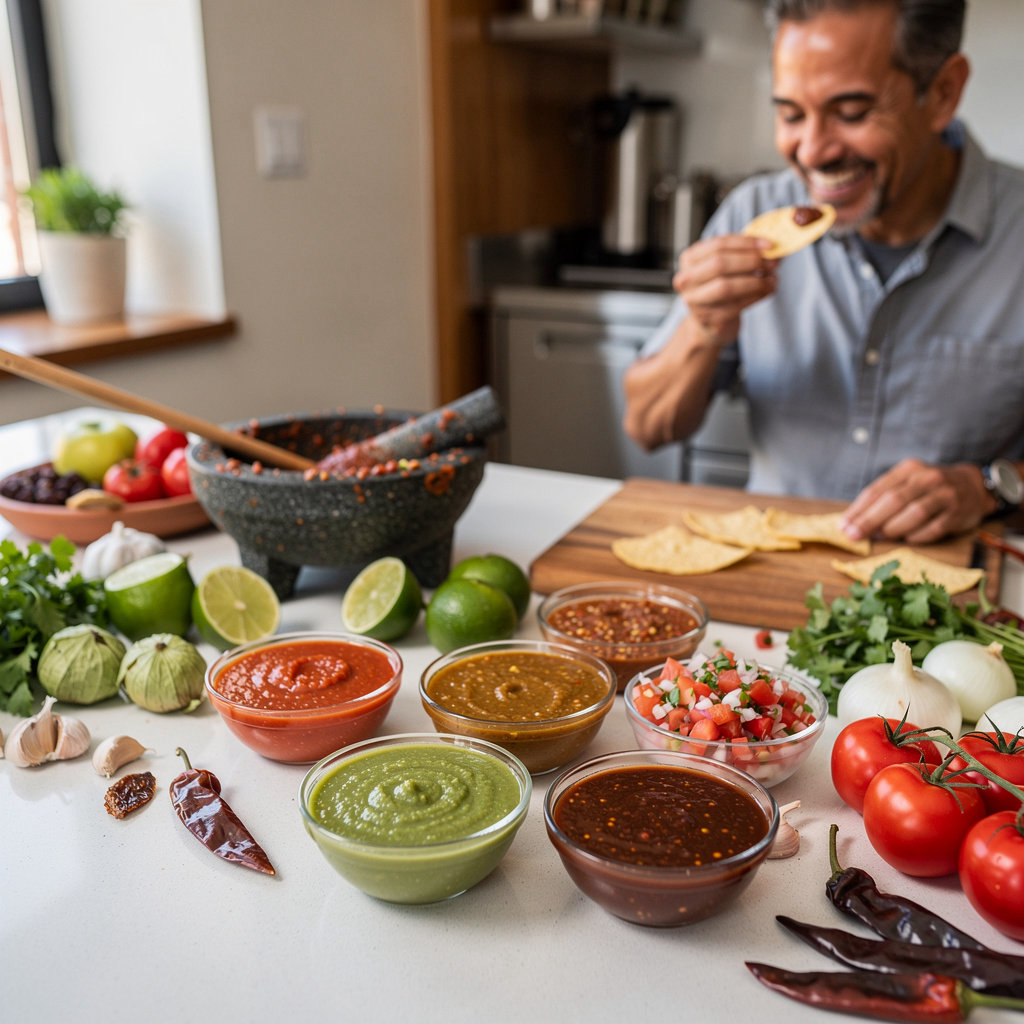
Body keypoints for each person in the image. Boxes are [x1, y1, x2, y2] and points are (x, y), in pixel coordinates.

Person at [622, 0, 1024, 543]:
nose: (811, 151)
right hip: (771, 586)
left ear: (944, 93)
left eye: (852, 112)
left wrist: (989, 487)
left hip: (954, 602)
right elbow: (647, 427)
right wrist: (703, 328)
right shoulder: (751, 215)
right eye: (790, 114)